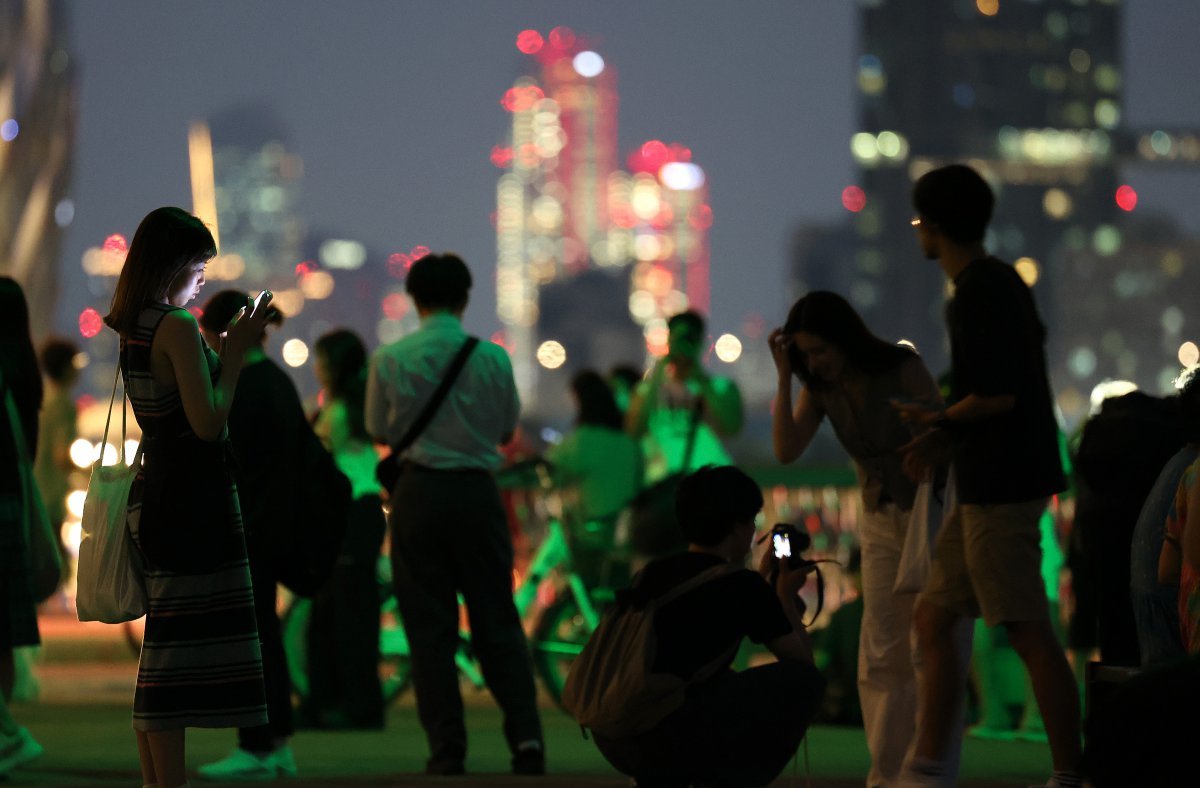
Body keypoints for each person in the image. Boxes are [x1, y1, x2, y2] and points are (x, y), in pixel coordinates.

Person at [896, 165, 1078, 788]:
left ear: (937, 227)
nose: (917, 231)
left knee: (1029, 633)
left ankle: (1069, 772)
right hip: (991, 484)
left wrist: (938, 417)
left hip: (1000, 488)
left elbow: (996, 395)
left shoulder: (976, 290)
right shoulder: (998, 282)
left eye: (920, 220)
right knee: (933, 616)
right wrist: (944, 425)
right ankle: (927, 766)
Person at [769, 290, 966, 786]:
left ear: (846, 339)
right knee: (882, 647)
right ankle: (886, 773)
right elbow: (786, 450)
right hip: (879, 519)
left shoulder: (900, 367)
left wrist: (927, 444)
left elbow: (947, 434)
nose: (816, 363)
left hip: (930, 515)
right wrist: (785, 377)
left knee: (933, 642)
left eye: (821, 352)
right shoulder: (817, 386)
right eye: (806, 355)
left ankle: (931, 767)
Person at [103, 207, 271, 788]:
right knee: (172, 658)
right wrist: (238, 353)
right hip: (195, 504)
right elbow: (207, 422)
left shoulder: (136, 324)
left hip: (160, 498)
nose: (203, 278)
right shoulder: (173, 325)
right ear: (174, 264)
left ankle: (157, 781)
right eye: (199, 265)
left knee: (161, 650)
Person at [365, 252, 543, 776]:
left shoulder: (391, 359)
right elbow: (507, 431)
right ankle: (527, 741)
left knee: (429, 629)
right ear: (465, 298)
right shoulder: (492, 358)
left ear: (414, 299)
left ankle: (447, 749)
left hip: (418, 497)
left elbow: (379, 429)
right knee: (498, 621)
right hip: (477, 495)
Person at [588, 465, 825, 787]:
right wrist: (783, 595)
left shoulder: (652, 573)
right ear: (738, 528)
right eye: (751, 521)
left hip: (614, 734)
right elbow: (801, 664)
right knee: (804, 682)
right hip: (665, 740)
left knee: (715, 680)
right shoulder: (742, 585)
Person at [193, 290, 300, 781]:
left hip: (247, 527)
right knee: (265, 636)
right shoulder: (278, 382)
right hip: (277, 526)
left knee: (250, 638)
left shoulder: (242, 385)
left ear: (222, 333)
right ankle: (274, 743)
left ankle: (257, 744)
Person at [305, 328, 386, 730]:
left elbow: (316, 461)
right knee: (355, 613)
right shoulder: (362, 406)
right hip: (366, 512)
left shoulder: (338, 412)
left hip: (349, 514)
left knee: (341, 614)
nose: (317, 368)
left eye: (321, 360)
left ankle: (347, 704)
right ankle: (353, 702)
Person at [0, 277, 46, 776]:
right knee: (5, 635)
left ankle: (7, 736)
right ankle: (5, 728)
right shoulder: (25, 369)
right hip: (15, 499)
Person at [546, 369, 643, 587]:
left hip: (589, 540)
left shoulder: (582, 442)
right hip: (624, 540)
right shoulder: (629, 444)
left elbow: (549, 469)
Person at [626, 310, 743, 484]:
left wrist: (701, 381)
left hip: (710, 484)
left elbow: (732, 426)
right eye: (678, 338)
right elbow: (633, 432)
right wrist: (657, 375)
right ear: (669, 339)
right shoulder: (646, 391)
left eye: (690, 338)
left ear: (701, 342)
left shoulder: (721, 388)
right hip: (662, 488)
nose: (683, 346)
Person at [34, 337, 80, 570]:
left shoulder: (41, 397)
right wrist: (90, 471)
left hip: (36, 487)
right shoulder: (63, 404)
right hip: (52, 493)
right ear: (66, 367)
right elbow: (61, 455)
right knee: (55, 564)